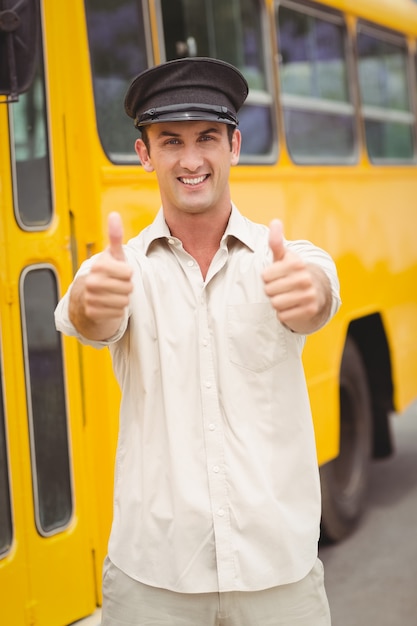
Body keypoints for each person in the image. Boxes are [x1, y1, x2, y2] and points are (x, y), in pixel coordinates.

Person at [55, 57, 340, 625]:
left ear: (234, 146)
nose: (190, 160)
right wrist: (95, 303)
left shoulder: (285, 259)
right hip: (155, 580)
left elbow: (316, 293)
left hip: (277, 575)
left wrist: (308, 296)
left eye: (206, 137)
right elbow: (88, 314)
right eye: (169, 141)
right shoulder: (119, 268)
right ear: (144, 155)